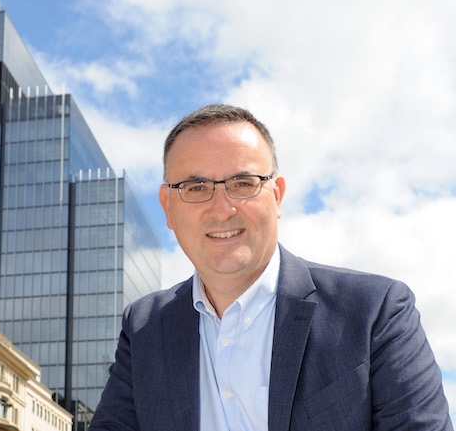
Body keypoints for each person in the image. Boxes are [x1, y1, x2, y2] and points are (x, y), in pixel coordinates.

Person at [89, 104, 453, 430]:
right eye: (196, 187)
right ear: (168, 206)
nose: (222, 209)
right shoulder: (144, 327)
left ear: (276, 196)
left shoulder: (377, 311)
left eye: (242, 183)